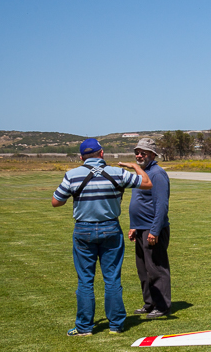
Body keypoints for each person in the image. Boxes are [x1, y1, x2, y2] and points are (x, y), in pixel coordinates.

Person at [52, 138, 151, 336]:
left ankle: (84, 327)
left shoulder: (72, 175)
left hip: (83, 230)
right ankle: (116, 324)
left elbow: (56, 202)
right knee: (112, 278)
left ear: (81, 157)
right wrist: (134, 166)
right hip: (110, 228)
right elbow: (147, 183)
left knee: (85, 280)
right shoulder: (117, 173)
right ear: (102, 153)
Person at [127, 137, 171, 319]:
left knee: (156, 269)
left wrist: (154, 230)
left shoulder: (157, 174)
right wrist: (134, 226)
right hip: (140, 228)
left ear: (152, 154)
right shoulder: (141, 173)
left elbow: (161, 205)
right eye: (137, 152)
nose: (139, 155)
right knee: (143, 269)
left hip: (153, 229)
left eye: (143, 153)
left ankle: (162, 306)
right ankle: (149, 303)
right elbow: (140, 202)